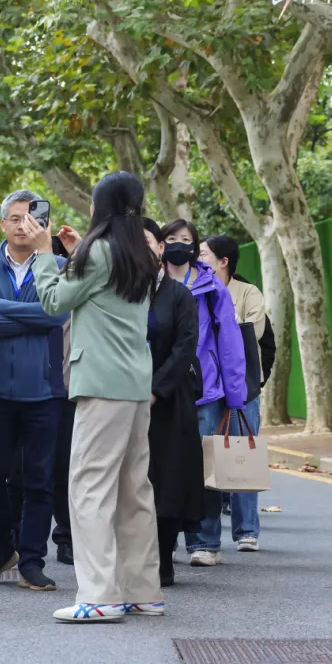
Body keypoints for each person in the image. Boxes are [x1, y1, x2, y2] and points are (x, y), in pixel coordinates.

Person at [27, 171, 163, 623]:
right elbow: (98, 287)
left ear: (100, 206)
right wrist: (75, 249)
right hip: (135, 385)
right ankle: (142, 590)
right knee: (133, 490)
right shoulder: (141, 252)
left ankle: (99, 595)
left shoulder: (99, 252)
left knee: (88, 488)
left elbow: (52, 300)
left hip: (102, 386)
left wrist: (47, 253)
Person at [0, 190, 68, 592]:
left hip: (45, 390)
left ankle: (32, 560)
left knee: (39, 479)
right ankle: (1, 547)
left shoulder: (60, 266)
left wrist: (0, 309)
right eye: (14, 218)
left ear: (43, 224)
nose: (22, 225)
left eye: (30, 218)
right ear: (2, 225)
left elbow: (57, 313)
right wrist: (31, 316)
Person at [159, 219, 246, 567]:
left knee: (207, 469)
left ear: (196, 248)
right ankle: (166, 537)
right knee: (165, 467)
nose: (179, 244)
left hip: (205, 390)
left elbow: (230, 343)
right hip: (160, 388)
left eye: (186, 239)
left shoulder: (212, 287)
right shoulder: (149, 282)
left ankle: (205, 541)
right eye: (172, 238)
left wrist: (235, 395)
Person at [143, 219, 206, 587]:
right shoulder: (120, 292)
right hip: (125, 396)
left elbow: (185, 347)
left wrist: (156, 388)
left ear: (160, 248)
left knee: (167, 480)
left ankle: (164, 557)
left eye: (149, 241)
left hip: (169, 399)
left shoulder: (180, 294)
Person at [200, 234, 266, 554]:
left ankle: (246, 531)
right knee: (208, 456)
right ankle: (206, 534)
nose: (199, 260)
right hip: (210, 385)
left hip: (243, 383)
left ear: (223, 261)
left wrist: (223, 321)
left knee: (243, 454)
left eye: (204, 255)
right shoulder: (195, 287)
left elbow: (254, 329)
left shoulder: (247, 292)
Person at [50, 235, 75, 566]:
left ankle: (69, 534)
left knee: (70, 466)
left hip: (72, 386)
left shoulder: (77, 279)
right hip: (35, 386)